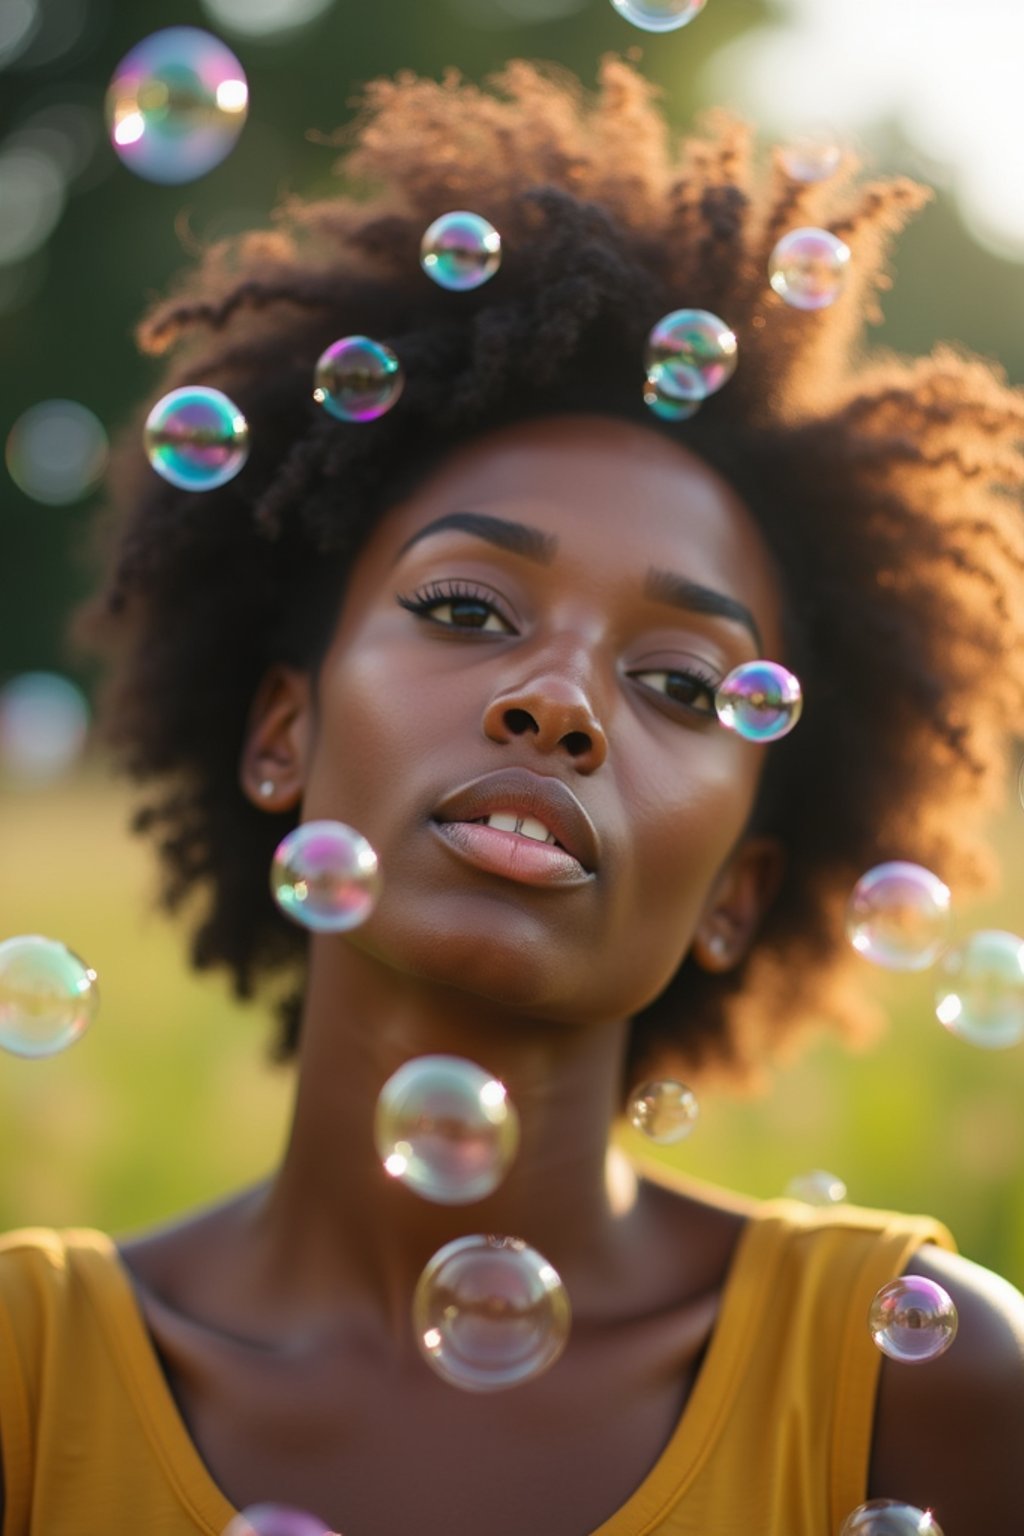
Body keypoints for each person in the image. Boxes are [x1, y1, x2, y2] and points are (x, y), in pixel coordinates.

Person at [2, 57, 1023, 1536]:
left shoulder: (920, 1394)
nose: (556, 700)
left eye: (681, 685)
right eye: (471, 610)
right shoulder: (30, 1391)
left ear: (738, 889)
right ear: (280, 734)